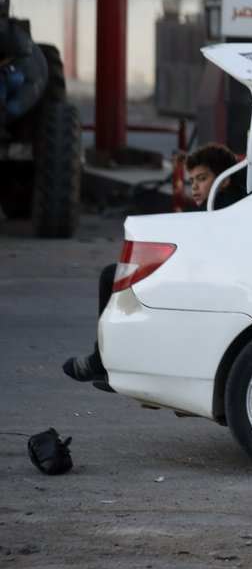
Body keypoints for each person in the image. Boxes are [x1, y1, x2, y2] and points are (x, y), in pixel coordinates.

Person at [61, 143, 240, 392]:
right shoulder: (230, 203)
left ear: (224, 180)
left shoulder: (221, 205)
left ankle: (104, 360)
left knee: (112, 277)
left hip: (209, 286)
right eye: (192, 181)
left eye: (203, 178)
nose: (196, 187)